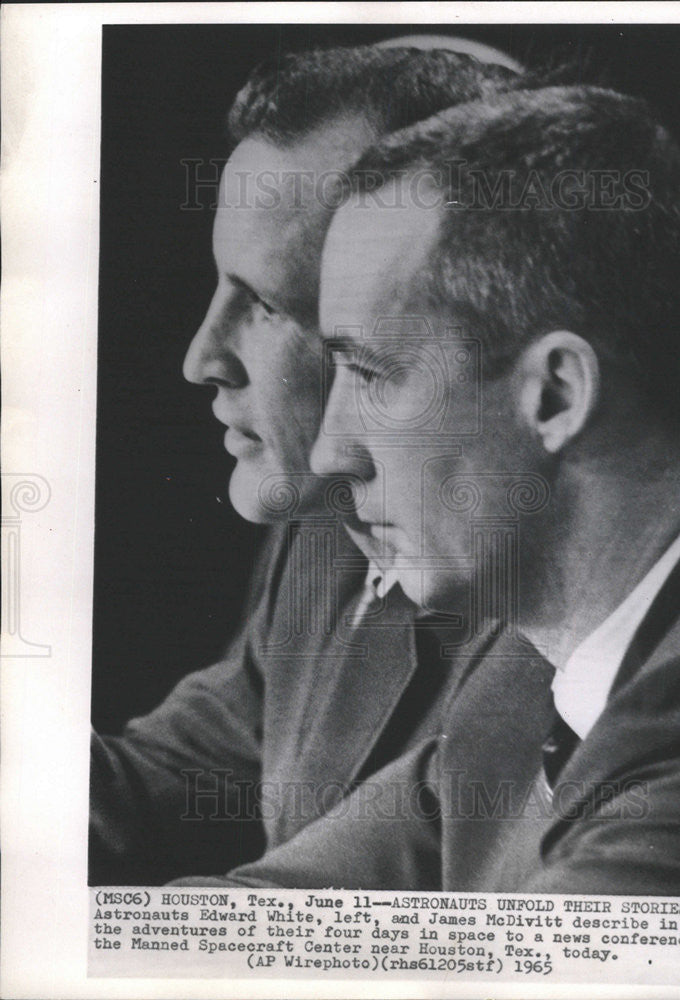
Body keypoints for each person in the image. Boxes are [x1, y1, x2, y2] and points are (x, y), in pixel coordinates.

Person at [291, 83, 680, 896]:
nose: (328, 454)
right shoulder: (527, 678)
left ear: (555, 395)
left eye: (372, 373)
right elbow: (266, 913)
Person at [89, 43, 543, 886]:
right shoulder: (328, 536)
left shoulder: (556, 604)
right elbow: (174, 785)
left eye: (265, 303)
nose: (201, 358)